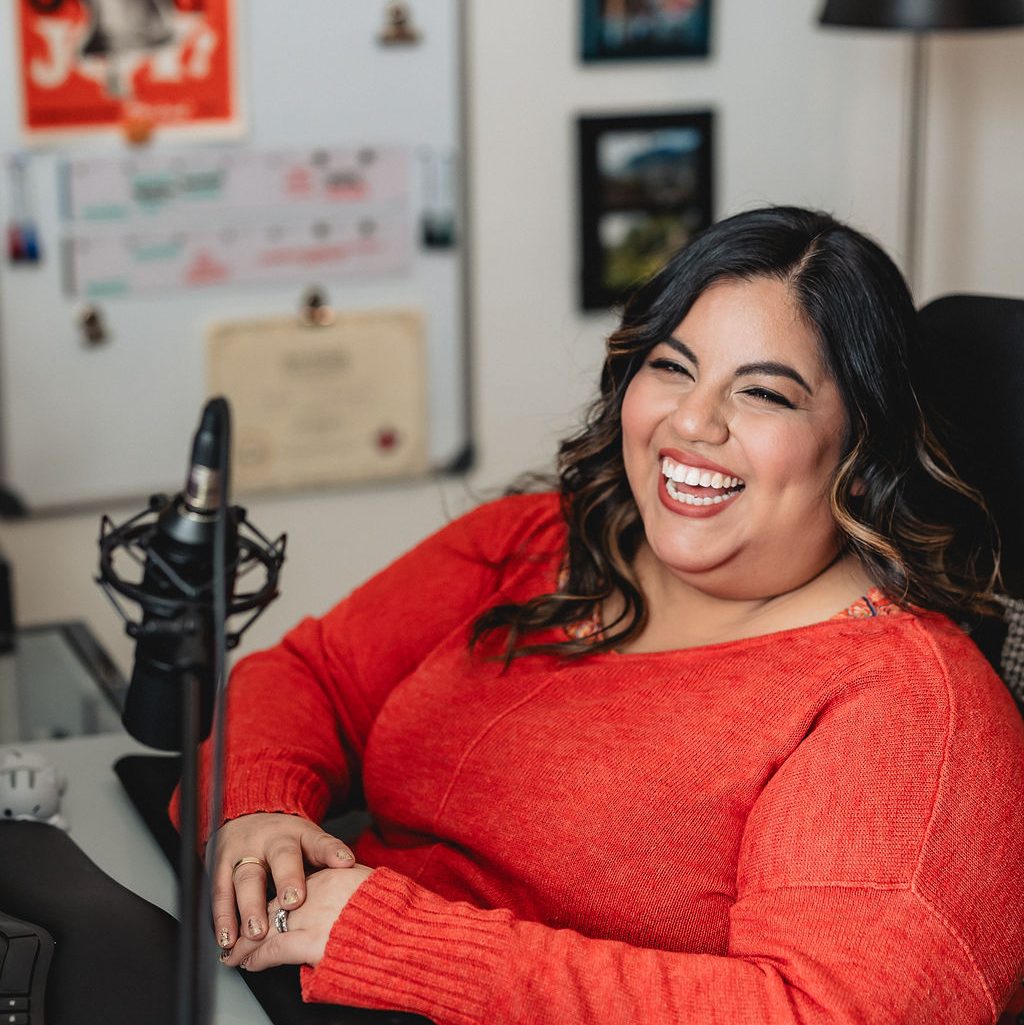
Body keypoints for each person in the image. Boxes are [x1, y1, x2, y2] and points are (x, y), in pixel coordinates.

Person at [184, 206, 1024, 1023]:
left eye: (765, 393)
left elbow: (818, 1012)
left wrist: (391, 938)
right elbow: (313, 675)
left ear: (861, 441)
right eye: (671, 366)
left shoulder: (911, 713)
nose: (691, 422)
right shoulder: (539, 537)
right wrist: (260, 809)